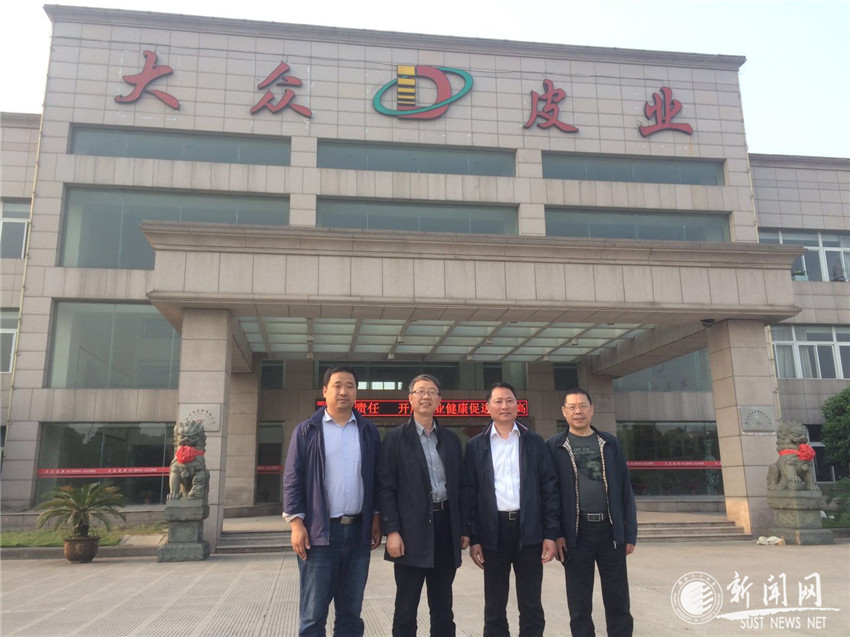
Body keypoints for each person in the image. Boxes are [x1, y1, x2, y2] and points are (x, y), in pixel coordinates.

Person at [282, 365, 382, 636]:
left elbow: (376, 478)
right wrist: (296, 524)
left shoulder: (368, 431)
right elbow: (292, 479)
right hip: (320, 535)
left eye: (350, 386)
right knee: (313, 615)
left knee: (351, 613)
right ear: (325, 391)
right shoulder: (307, 431)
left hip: (358, 533)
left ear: (356, 393)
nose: (343, 391)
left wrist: (375, 516)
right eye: (337, 386)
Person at [463, 381, 559, 637]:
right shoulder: (476, 446)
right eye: (498, 401)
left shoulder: (534, 442)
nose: (504, 406)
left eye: (509, 401)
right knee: (494, 604)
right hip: (493, 531)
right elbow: (470, 494)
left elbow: (549, 489)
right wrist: (474, 537)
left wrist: (550, 534)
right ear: (488, 407)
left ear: (518, 406)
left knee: (531, 603)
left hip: (529, 530)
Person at [377, 373, 467, 636]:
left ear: (439, 400)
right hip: (410, 531)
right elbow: (386, 487)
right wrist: (392, 531)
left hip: (445, 528)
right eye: (420, 391)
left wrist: (463, 528)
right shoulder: (395, 438)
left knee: (443, 607)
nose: (426, 396)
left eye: (432, 392)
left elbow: (461, 487)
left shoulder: (450, 439)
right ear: (410, 399)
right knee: (406, 607)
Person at [546, 388, 637, 637]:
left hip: (610, 532)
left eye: (583, 406)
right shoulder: (554, 446)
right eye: (572, 407)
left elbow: (625, 489)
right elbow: (550, 494)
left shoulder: (610, 443)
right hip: (576, 535)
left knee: (618, 600)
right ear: (564, 412)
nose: (578, 411)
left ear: (592, 409)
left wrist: (629, 532)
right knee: (579, 604)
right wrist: (556, 534)